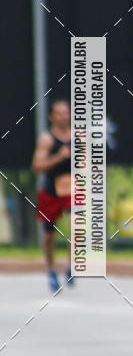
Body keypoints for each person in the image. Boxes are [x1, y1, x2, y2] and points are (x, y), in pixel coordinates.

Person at [32, 99, 73, 293]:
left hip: (72, 189)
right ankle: (51, 270)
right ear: (51, 117)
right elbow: (37, 166)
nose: (64, 116)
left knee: (77, 224)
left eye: (66, 112)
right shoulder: (47, 139)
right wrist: (59, 156)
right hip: (50, 191)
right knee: (49, 235)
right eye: (59, 113)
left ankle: (70, 265)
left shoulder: (78, 137)